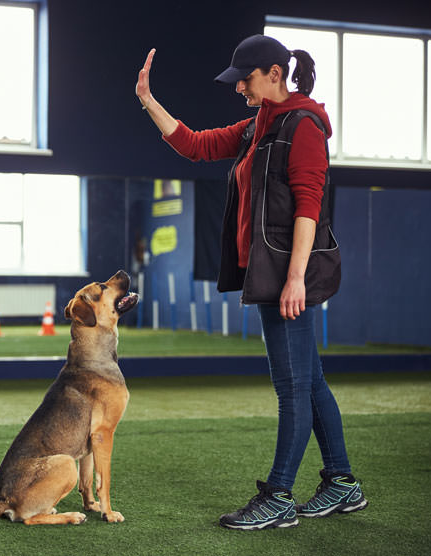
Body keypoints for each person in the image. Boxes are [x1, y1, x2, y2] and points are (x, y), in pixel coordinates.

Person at [135, 34, 367, 530]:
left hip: (289, 276)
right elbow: (196, 145)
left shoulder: (302, 126)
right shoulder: (259, 126)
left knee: (292, 388)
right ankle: (344, 484)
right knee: (311, 383)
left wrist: (296, 279)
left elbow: (310, 203)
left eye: (246, 78)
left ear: (275, 74)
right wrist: (149, 102)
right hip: (267, 271)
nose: (239, 86)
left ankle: (280, 496)